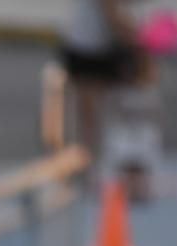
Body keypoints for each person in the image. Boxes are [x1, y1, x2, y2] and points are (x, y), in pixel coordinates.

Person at [59, 0, 143, 159]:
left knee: (96, 111)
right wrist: (143, 38)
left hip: (96, 46)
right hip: (88, 50)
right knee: (91, 114)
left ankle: (92, 155)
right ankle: (90, 158)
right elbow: (113, 17)